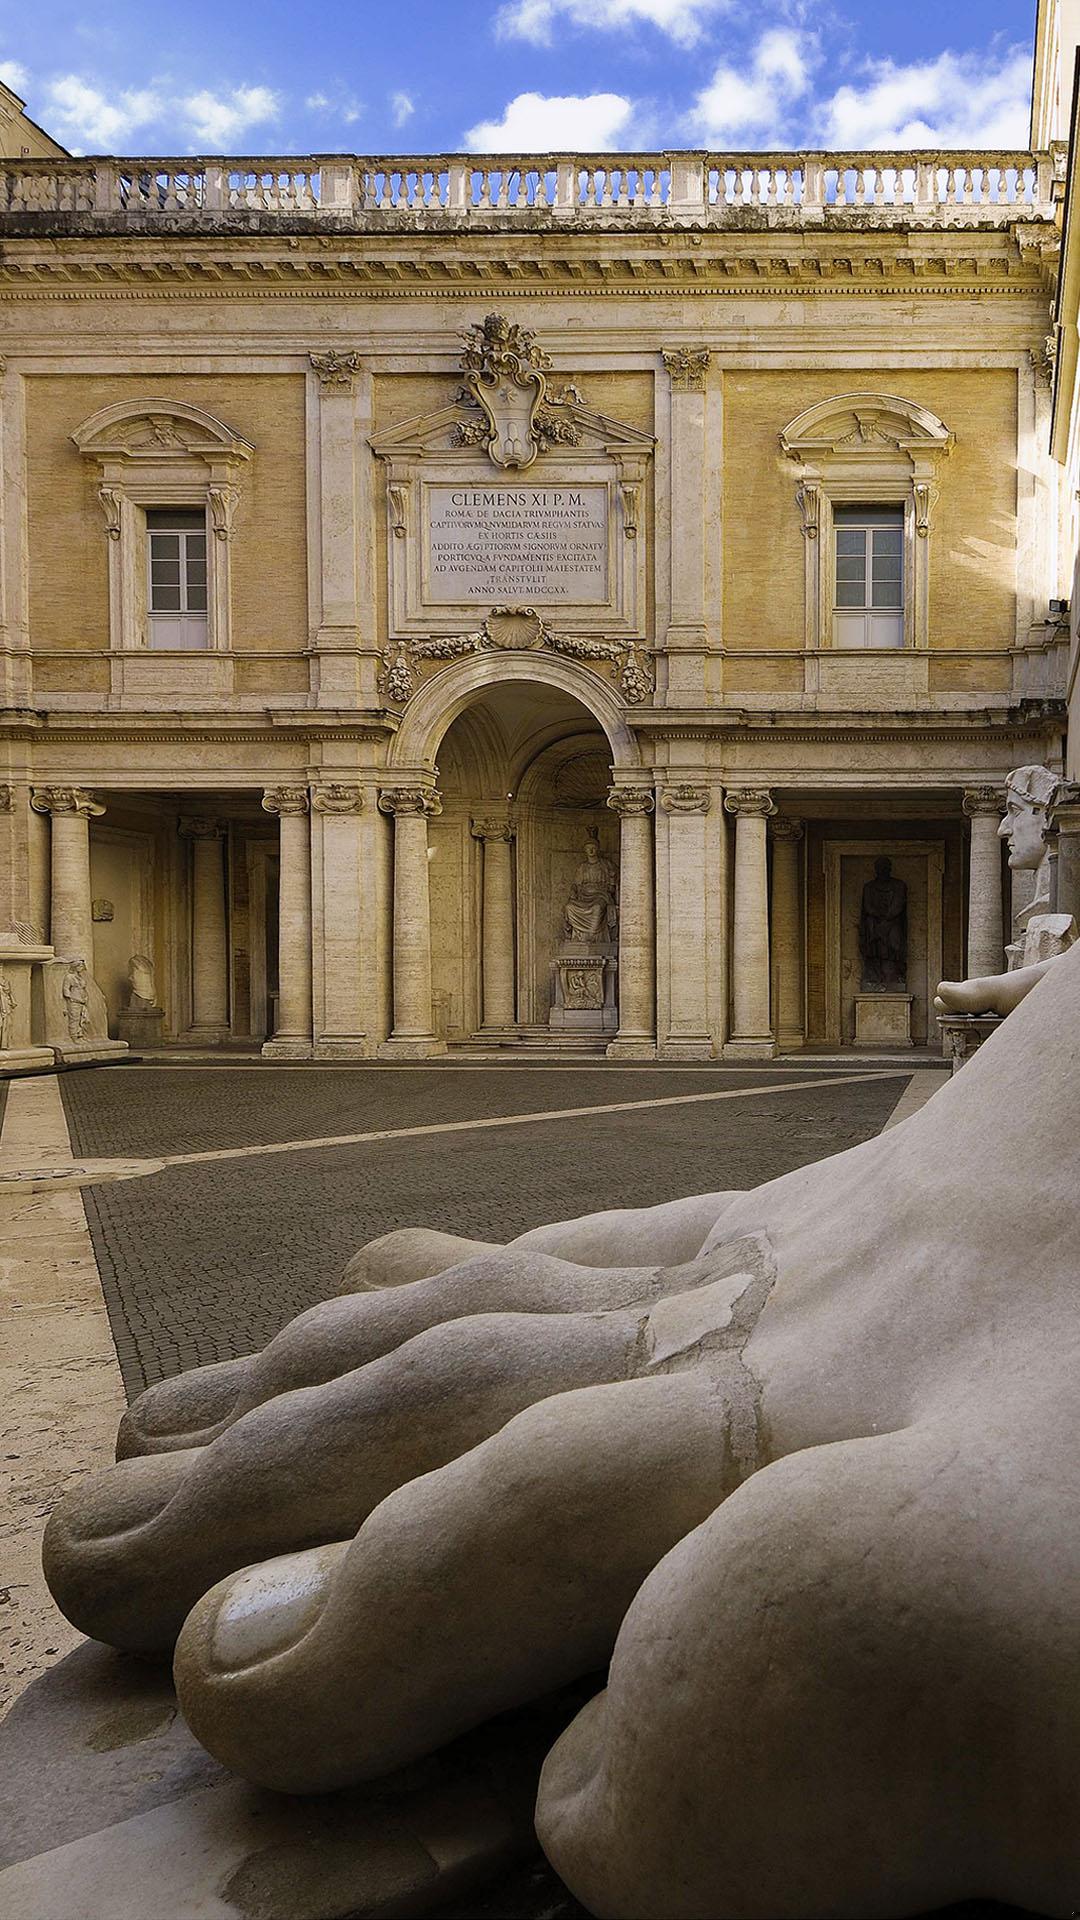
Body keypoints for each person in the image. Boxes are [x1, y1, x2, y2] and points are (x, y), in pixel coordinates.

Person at [563, 835, 617, 943]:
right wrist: (573, 892)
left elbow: (612, 888)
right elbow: (575, 885)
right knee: (569, 907)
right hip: (584, 896)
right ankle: (579, 937)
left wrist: (611, 880)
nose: (591, 850)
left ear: (597, 849)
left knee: (597, 908)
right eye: (588, 848)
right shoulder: (582, 867)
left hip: (600, 895)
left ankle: (592, 937)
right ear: (585, 850)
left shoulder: (606, 865)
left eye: (593, 848)